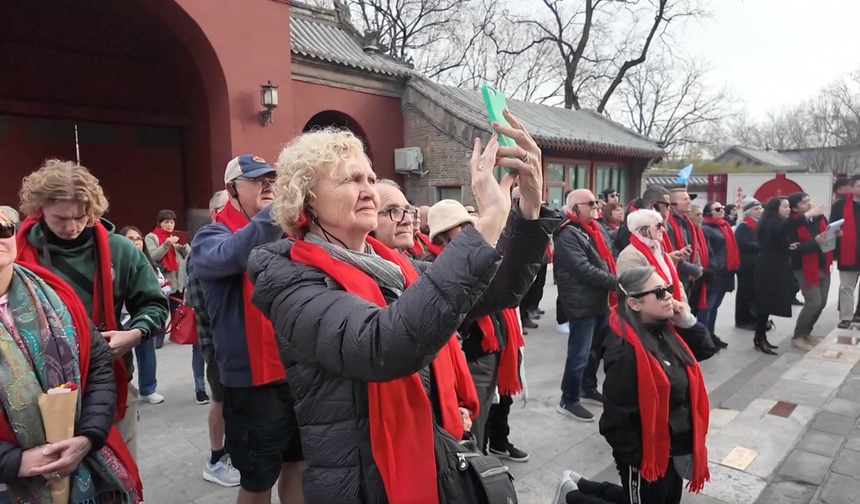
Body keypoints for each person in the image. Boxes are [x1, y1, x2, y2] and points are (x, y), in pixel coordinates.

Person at [248, 112, 557, 503]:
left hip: (428, 460)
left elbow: (499, 289)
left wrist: (528, 206)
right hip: (361, 484)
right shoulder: (290, 279)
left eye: (369, 179)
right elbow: (382, 344)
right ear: (307, 199)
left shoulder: (395, 267)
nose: (368, 191)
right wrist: (486, 222)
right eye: (350, 179)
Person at [15, 159, 169, 461]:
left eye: (81, 216)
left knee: (118, 479)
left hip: (111, 381)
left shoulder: (121, 250)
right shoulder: (18, 252)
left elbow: (154, 304)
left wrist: (134, 334)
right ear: (39, 209)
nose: (72, 227)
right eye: (61, 218)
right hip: (35, 393)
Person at [0, 208, 143, 503]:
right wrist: (13, 462)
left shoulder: (56, 295)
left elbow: (99, 366)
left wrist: (87, 437)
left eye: (2, 229)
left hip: (82, 464)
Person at [191, 155, 303, 504]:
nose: (268, 185)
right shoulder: (210, 236)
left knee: (298, 465)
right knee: (257, 480)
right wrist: (279, 207)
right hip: (249, 383)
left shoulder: (284, 232)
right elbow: (236, 253)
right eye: (257, 180)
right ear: (232, 189)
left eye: (272, 179)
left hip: (295, 373)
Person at [553, 266, 714, 504]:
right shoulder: (624, 350)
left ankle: (581, 487)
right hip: (649, 454)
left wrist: (686, 320)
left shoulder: (667, 329)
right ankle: (572, 498)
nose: (669, 295)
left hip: (674, 449)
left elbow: (705, 349)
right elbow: (615, 421)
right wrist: (641, 460)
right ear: (635, 304)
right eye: (659, 292)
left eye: (668, 288)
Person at [422, 199, 529, 460]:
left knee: (491, 410)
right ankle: (478, 469)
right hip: (473, 355)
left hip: (493, 350)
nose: (474, 231)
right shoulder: (440, 267)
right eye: (465, 227)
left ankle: (490, 449)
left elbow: (510, 289)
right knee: (474, 422)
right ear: (447, 235)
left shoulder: (471, 258)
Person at [185, 190, 241, 488]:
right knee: (220, 398)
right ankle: (217, 458)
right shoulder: (206, 244)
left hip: (236, 343)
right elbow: (199, 301)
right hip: (217, 342)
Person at [554, 189, 617, 422]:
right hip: (581, 302)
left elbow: (608, 256)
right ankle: (568, 399)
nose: (595, 206)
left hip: (600, 300)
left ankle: (587, 386)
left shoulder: (593, 229)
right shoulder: (567, 233)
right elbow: (583, 269)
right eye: (589, 203)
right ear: (574, 208)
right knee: (579, 353)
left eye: (595, 202)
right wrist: (615, 282)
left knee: (596, 349)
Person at [754, 197, 826, 354]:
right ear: (775, 208)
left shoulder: (777, 222)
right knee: (764, 304)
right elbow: (781, 232)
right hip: (767, 268)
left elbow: (777, 241)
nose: (788, 209)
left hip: (775, 266)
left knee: (767, 305)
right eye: (785, 206)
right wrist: (806, 215)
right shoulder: (771, 222)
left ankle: (761, 337)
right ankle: (759, 338)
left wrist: (788, 247)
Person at [119, 226, 169, 405]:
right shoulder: (116, 262)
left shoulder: (148, 263)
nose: (135, 243)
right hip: (122, 316)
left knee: (147, 352)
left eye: (138, 239)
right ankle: (123, 389)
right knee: (120, 355)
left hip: (143, 314)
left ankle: (148, 388)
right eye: (130, 239)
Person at [787, 192, 835, 351]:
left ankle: (807, 331)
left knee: (822, 303)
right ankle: (798, 335)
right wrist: (815, 242)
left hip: (823, 263)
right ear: (795, 208)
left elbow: (825, 236)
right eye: (804, 202)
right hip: (804, 267)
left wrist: (835, 235)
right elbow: (795, 251)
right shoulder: (792, 224)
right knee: (813, 302)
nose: (809, 203)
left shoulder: (819, 218)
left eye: (809, 200)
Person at [617, 209, 690, 306]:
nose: (663, 230)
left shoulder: (662, 254)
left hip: (670, 311)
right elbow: (636, 294)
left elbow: (677, 284)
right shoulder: (629, 256)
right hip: (648, 317)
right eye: (658, 226)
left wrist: (684, 309)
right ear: (643, 230)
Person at [698, 202, 740, 348]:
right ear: (708, 213)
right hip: (715, 272)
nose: (721, 210)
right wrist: (716, 266)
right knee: (707, 306)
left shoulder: (725, 226)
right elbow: (707, 251)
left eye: (722, 208)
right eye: (717, 209)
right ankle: (703, 339)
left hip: (726, 271)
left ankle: (711, 334)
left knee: (715, 306)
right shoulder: (706, 228)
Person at [830, 174, 860, 329]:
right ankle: (846, 317)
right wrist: (837, 233)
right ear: (852, 188)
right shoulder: (840, 205)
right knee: (846, 287)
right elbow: (832, 226)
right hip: (848, 251)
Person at [665, 189, 704, 298]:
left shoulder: (686, 222)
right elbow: (671, 253)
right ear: (673, 204)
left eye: (689, 199)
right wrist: (694, 270)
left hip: (687, 278)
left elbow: (694, 248)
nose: (689, 202)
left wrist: (697, 266)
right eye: (685, 199)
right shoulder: (668, 225)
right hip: (677, 276)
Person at [734, 199, 762, 331]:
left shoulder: (759, 226)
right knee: (744, 293)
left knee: (754, 293)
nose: (759, 211)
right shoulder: (744, 226)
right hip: (746, 265)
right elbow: (743, 243)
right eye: (756, 209)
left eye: (760, 208)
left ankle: (753, 317)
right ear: (748, 213)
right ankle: (742, 319)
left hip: (756, 264)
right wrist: (761, 246)